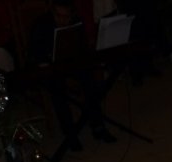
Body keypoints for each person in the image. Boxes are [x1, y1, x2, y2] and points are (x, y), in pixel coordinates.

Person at [28, 0, 116, 152]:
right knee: (57, 88)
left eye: (66, 17)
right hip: (51, 68)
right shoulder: (41, 24)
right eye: (59, 16)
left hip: (71, 63)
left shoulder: (76, 21)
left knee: (89, 80)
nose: (63, 20)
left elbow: (83, 46)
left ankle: (98, 125)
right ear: (53, 12)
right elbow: (35, 53)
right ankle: (70, 132)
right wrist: (44, 61)